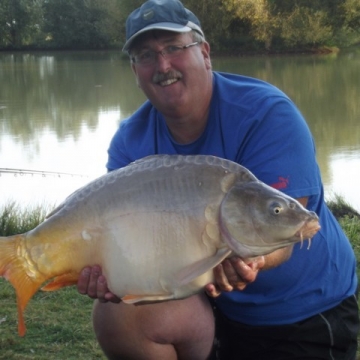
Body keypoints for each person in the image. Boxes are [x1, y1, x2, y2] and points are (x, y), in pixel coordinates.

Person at [77, 0, 359, 359]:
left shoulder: (266, 114)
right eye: (146, 55)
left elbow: (284, 230)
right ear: (134, 70)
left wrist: (251, 261)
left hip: (302, 311)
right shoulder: (130, 143)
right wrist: (112, 273)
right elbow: (132, 245)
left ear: (205, 53)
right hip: (209, 308)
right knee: (116, 315)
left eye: (174, 49)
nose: (162, 65)